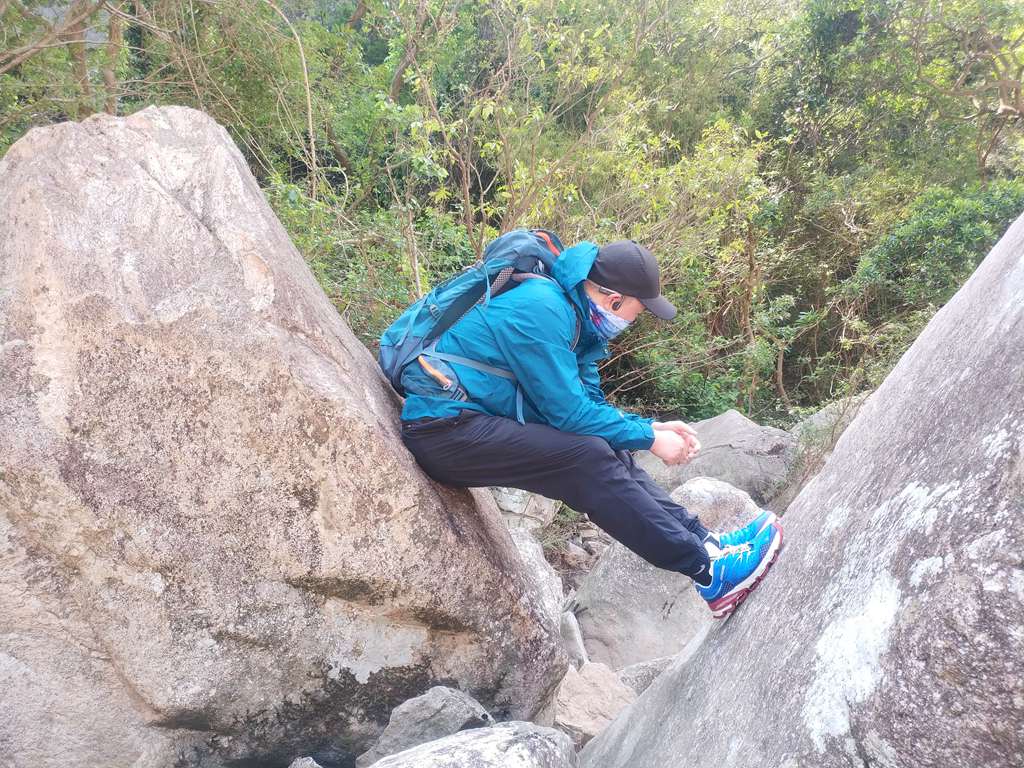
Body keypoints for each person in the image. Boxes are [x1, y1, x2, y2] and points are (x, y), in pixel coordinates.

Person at [398, 237, 783, 618]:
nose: (634, 320)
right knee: (587, 458)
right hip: (443, 430)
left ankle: (707, 545)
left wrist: (648, 427)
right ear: (614, 300)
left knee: (606, 447)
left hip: (471, 424)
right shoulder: (542, 308)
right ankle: (709, 573)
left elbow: (590, 406)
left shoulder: (578, 318)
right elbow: (567, 413)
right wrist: (650, 438)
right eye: (638, 311)